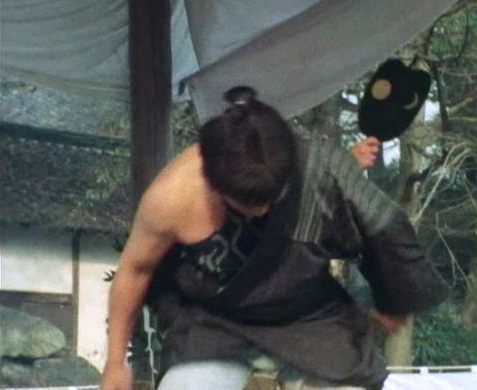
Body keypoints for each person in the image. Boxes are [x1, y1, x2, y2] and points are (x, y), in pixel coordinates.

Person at [101, 87, 448, 390]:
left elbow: (387, 228)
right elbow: (135, 270)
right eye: (250, 203)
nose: (265, 210)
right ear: (215, 184)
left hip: (308, 316)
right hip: (211, 323)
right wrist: (115, 362)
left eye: (273, 198)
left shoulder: (318, 167)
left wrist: (394, 302)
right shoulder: (171, 196)